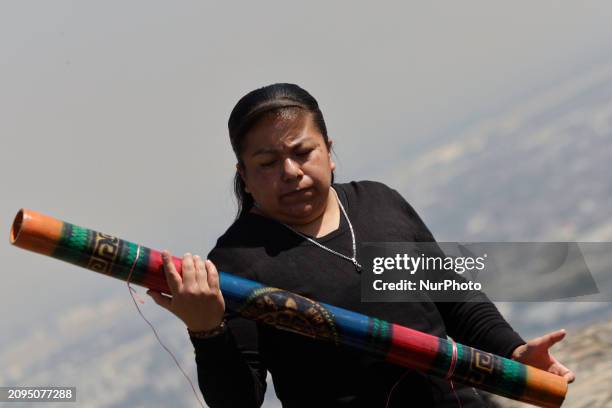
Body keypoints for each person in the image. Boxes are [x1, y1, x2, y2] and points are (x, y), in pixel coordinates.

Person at [146, 83, 575, 407]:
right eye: (268, 163)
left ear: (329, 152)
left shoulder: (377, 204)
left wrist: (515, 351)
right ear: (244, 174)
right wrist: (207, 330)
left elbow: (454, 302)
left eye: (302, 152)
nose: (291, 171)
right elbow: (238, 400)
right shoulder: (240, 262)